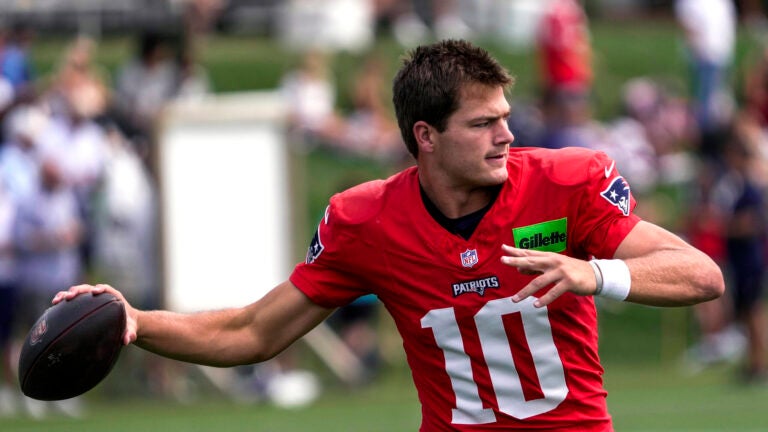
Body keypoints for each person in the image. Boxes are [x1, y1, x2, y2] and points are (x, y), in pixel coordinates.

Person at [54, 40, 724, 431]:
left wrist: (595, 273)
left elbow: (700, 275)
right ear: (425, 137)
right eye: (483, 124)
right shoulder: (365, 222)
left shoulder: (566, 183)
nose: (508, 135)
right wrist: (138, 322)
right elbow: (253, 333)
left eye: (506, 117)